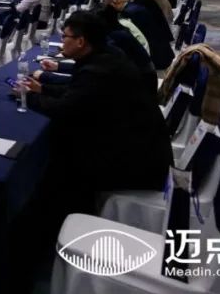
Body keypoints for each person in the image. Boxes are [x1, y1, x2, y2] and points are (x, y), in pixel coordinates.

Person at [17, 12, 171, 223]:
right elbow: (79, 92)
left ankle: (52, 221)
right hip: (141, 146)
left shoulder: (98, 69)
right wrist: (43, 88)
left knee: (59, 162)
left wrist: (28, 97)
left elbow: (65, 109)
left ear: (81, 41)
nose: (62, 42)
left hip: (135, 162)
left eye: (65, 37)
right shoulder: (106, 55)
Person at [109, 0, 174, 70]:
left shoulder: (128, 12)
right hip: (162, 49)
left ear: (116, 1)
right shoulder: (134, 6)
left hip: (155, 56)